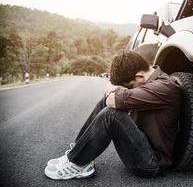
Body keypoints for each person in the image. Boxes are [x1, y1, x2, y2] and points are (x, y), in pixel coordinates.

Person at [44, 51, 182, 180]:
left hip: (151, 163)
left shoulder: (165, 87)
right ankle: (77, 153)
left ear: (140, 76)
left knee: (111, 114)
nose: (130, 89)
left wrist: (113, 91)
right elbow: (109, 98)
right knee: (105, 102)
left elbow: (113, 99)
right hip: (140, 147)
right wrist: (115, 89)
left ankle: (78, 163)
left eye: (130, 86)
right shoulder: (147, 80)